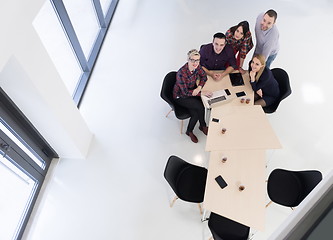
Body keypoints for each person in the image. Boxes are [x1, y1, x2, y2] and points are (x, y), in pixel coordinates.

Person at [173, 49, 212, 143]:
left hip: (192, 91)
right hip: (180, 96)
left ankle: (196, 128)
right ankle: (198, 128)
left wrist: (199, 88)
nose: (195, 63)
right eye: (192, 60)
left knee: (197, 111)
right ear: (188, 59)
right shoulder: (181, 73)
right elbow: (185, 93)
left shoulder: (197, 67)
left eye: (197, 60)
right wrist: (201, 92)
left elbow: (204, 77)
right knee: (199, 107)